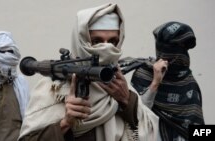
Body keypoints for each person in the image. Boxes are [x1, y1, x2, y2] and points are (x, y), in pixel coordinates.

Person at [18, 3, 162, 141]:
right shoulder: (53, 88)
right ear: (81, 40)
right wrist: (66, 123)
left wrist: (127, 100)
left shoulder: (121, 86)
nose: (106, 48)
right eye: (96, 41)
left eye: (112, 41)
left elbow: (150, 131)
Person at [131, 21, 205, 141]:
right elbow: (136, 115)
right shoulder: (144, 74)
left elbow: (199, 129)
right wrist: (155, 83)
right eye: (174, 48)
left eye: (182, 49)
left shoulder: (188, 82)